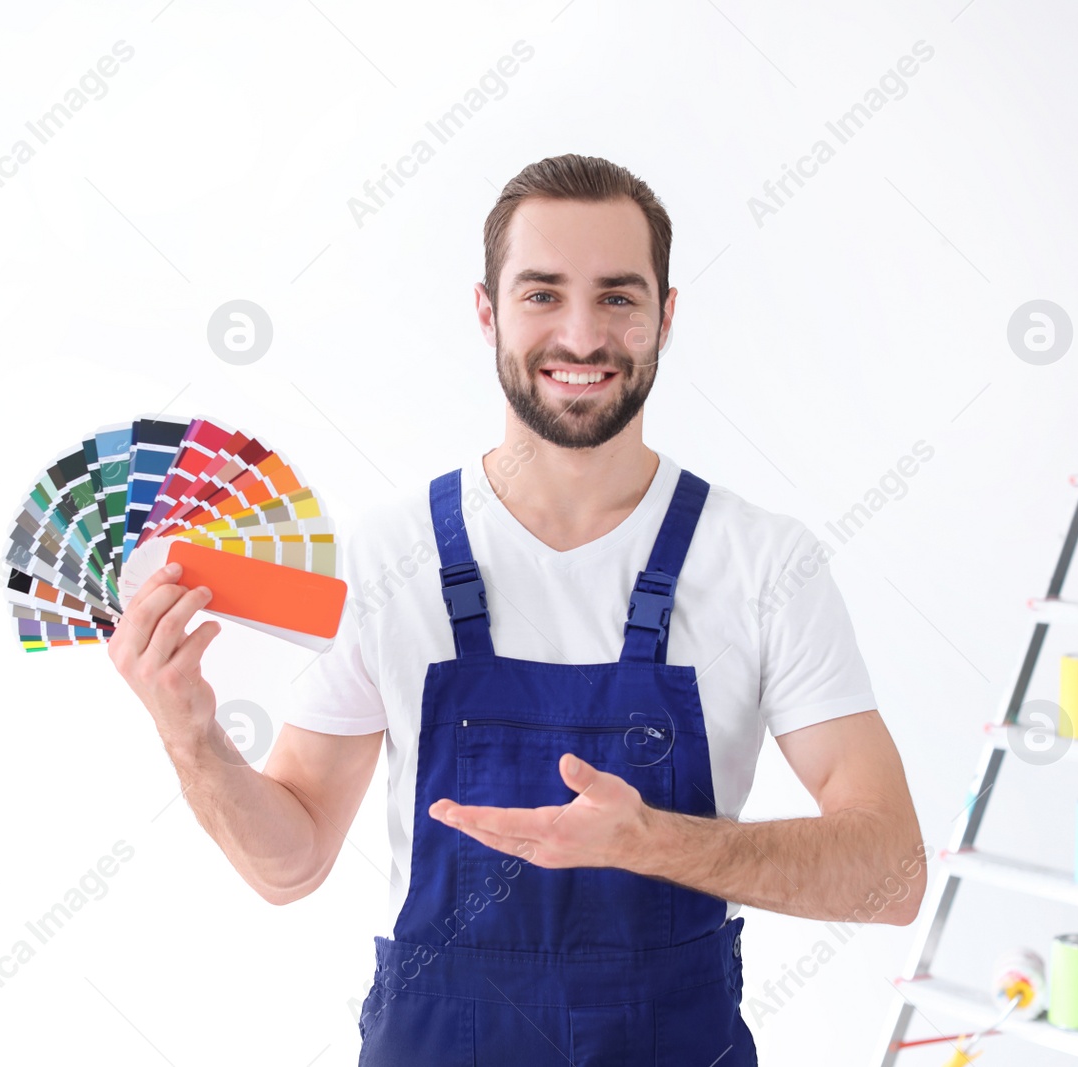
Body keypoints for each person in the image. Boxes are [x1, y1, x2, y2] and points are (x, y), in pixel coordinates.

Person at [109, 153, 926, 1065]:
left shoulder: (764, 562)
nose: (581, 336)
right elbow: (289, 864)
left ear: (667, 315)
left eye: (618, 296)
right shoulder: (389, 556)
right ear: (487, 311)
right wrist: (190, 734)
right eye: (543, 294)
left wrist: (653, 840)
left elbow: (890, 874)